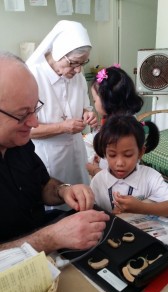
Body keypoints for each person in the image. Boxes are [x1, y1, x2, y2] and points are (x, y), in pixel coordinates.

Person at [0, 51, 110, 253]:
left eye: (35, 109)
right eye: (23, 114)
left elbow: (41, 183)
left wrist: (64, 190)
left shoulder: (18, 142)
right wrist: (50, 238)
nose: (33, 123)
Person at [26, 20, 98, 186]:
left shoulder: (76, 74)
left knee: (79, 197)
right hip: (47, 158)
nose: (79, 70)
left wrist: (87, 114)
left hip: (76, 153)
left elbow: (84, 107)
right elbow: (24, 130)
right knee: (54, 203)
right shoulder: (31, 77)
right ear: (59, 53)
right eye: (74, 63)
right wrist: (62, 127)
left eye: (82, 63)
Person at [90, 114, 168, 217]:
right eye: (112, 155)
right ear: (105, 153)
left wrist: (141, 208)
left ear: (140, 152)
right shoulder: (98, 181)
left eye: (128, 155)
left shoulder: (151, 177)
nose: (120, 163)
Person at [86, 65, 144, 177]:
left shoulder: (122, 127)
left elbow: (116, 176)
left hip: (114, 177)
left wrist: (95, 171)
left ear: (107, 100)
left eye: (94, 100)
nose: (94, 103)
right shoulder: (123, 119)